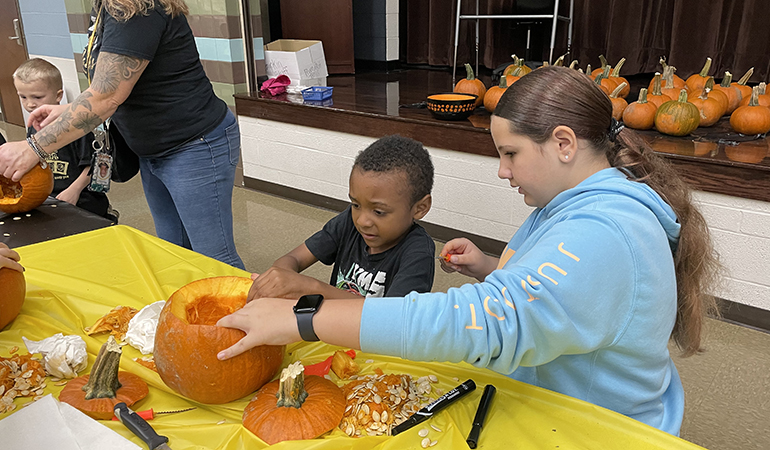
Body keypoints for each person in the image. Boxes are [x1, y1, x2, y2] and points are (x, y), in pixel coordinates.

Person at [215, 66, 720, 435]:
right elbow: (538, 292)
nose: (502, 170)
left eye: (510, 154)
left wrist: (304, 318)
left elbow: (487, 320)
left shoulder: (606, 231)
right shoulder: (569, 204)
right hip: (550, 400)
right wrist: (487, 267)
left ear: (564, 143)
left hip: (596, 428)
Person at [0, 0, 244, 269]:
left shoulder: (136, 7)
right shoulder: (104, 7)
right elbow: (120, 83)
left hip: (193, 144)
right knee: (176, 250)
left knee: (215, 259)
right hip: (151, 149)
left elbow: (107, 95)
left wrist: (33, 148)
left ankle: (250, 310)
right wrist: (69, 109)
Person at [247, 135, 436, 302]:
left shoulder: (418, 252)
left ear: (420, 208)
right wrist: (282, 278)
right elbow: (294, 258)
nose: (362, 221)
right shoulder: (348, 222)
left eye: (378, 212)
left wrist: (312, 288)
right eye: (356, 205)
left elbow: (391, 318)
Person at [13, 58, 113, 220]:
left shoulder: (75, 127)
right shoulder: (33, 126)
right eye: (23, 97)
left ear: (58, 95)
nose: (30, 104)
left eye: (37, 97)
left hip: (82, 199)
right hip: (50, 199)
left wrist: (74, 191)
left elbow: (95, 167)